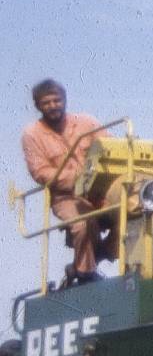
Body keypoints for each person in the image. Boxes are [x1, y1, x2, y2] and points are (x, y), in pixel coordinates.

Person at [19, 79, 108, 285]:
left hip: (99, 190)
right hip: (65, 196)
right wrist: (77, 178)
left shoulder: (86, 123)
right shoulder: (32, 135)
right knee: (83, 224)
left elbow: (110, 147)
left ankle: (85, 262)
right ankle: (86, 274)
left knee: (135, 210)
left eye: (56, 100)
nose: (53, 106)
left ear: (64, 100)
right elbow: (41, 172)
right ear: (38, 106)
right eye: (46, 102)